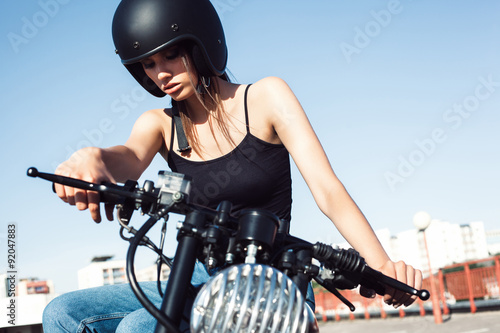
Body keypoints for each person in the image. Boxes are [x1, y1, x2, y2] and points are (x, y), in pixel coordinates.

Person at [43, 0, 423, 331]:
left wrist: (382, 265)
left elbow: (327, 190)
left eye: (171, 55)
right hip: (196, 270)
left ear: (201, 41)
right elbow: (124, 158)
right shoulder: (159, 124)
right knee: (61, 313)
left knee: (140, 326)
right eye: (148, 64)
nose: (161, 74)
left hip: (270, 275)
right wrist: (95, 158)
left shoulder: (265, 98)